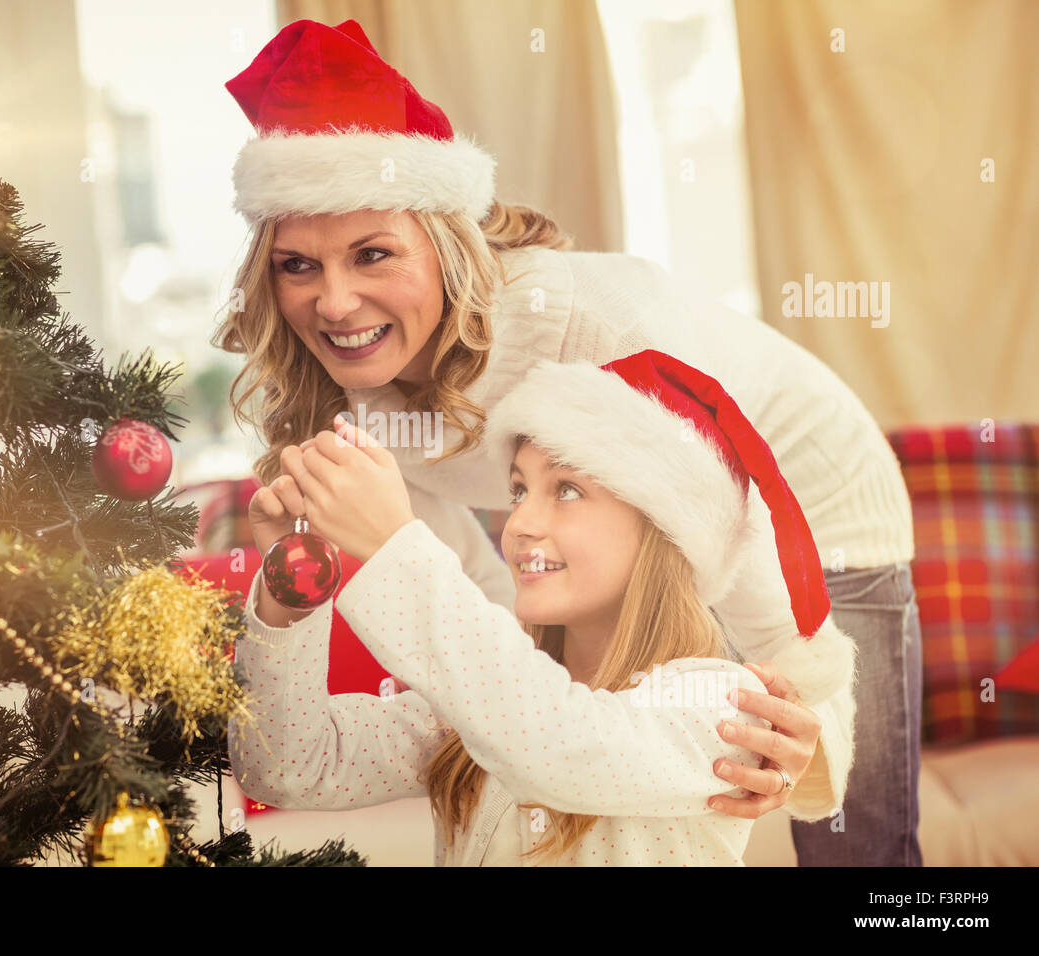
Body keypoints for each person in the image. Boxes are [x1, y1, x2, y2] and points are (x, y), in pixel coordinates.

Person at [214, 18, 921, 865]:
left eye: (373, 255)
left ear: (446, 251)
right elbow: (490, 636)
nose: (333, 305)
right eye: (299, 265)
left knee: (855, 845)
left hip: (810, 506)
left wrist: (805, 721)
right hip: (634, 587)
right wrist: (293, 599)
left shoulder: (598, 326)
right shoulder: (355, 403)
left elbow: (725, 526)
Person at [229, 350, 856, 866]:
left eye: (568, 490)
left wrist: (398, 545)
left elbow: (561, 745)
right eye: (519, 489)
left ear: (664, 528)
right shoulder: (481, 706)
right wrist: (292, 590)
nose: (521, 522)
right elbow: (288, 766)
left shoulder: (718, 704)